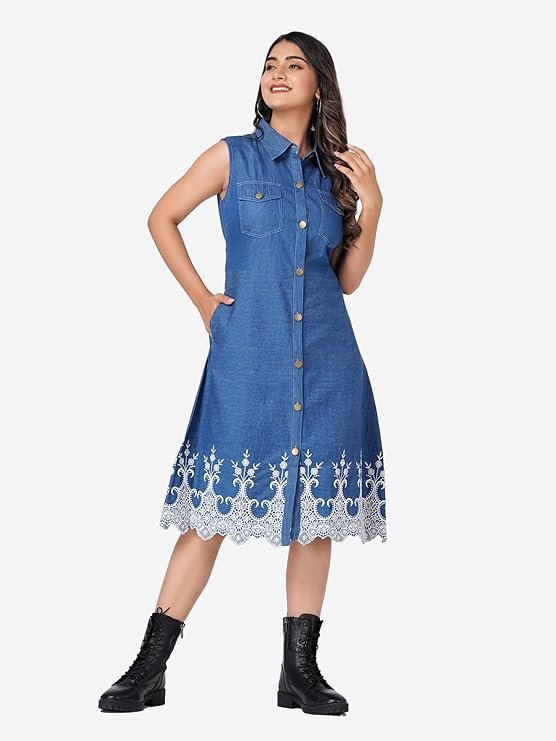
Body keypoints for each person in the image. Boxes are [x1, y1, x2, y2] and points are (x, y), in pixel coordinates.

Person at [98, 30, 387, 717]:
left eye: (294, 65)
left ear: (319, 84)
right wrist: (204, 300)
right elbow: (162, 216)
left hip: (329, 365)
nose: (277, 73)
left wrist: (372, 206)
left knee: (313, 519)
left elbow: (345, 279)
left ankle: (300, 674)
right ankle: (148, 668)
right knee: (209, 514)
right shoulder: (232, 156)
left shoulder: (336, 176)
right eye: (269, 65)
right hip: (247, 361)